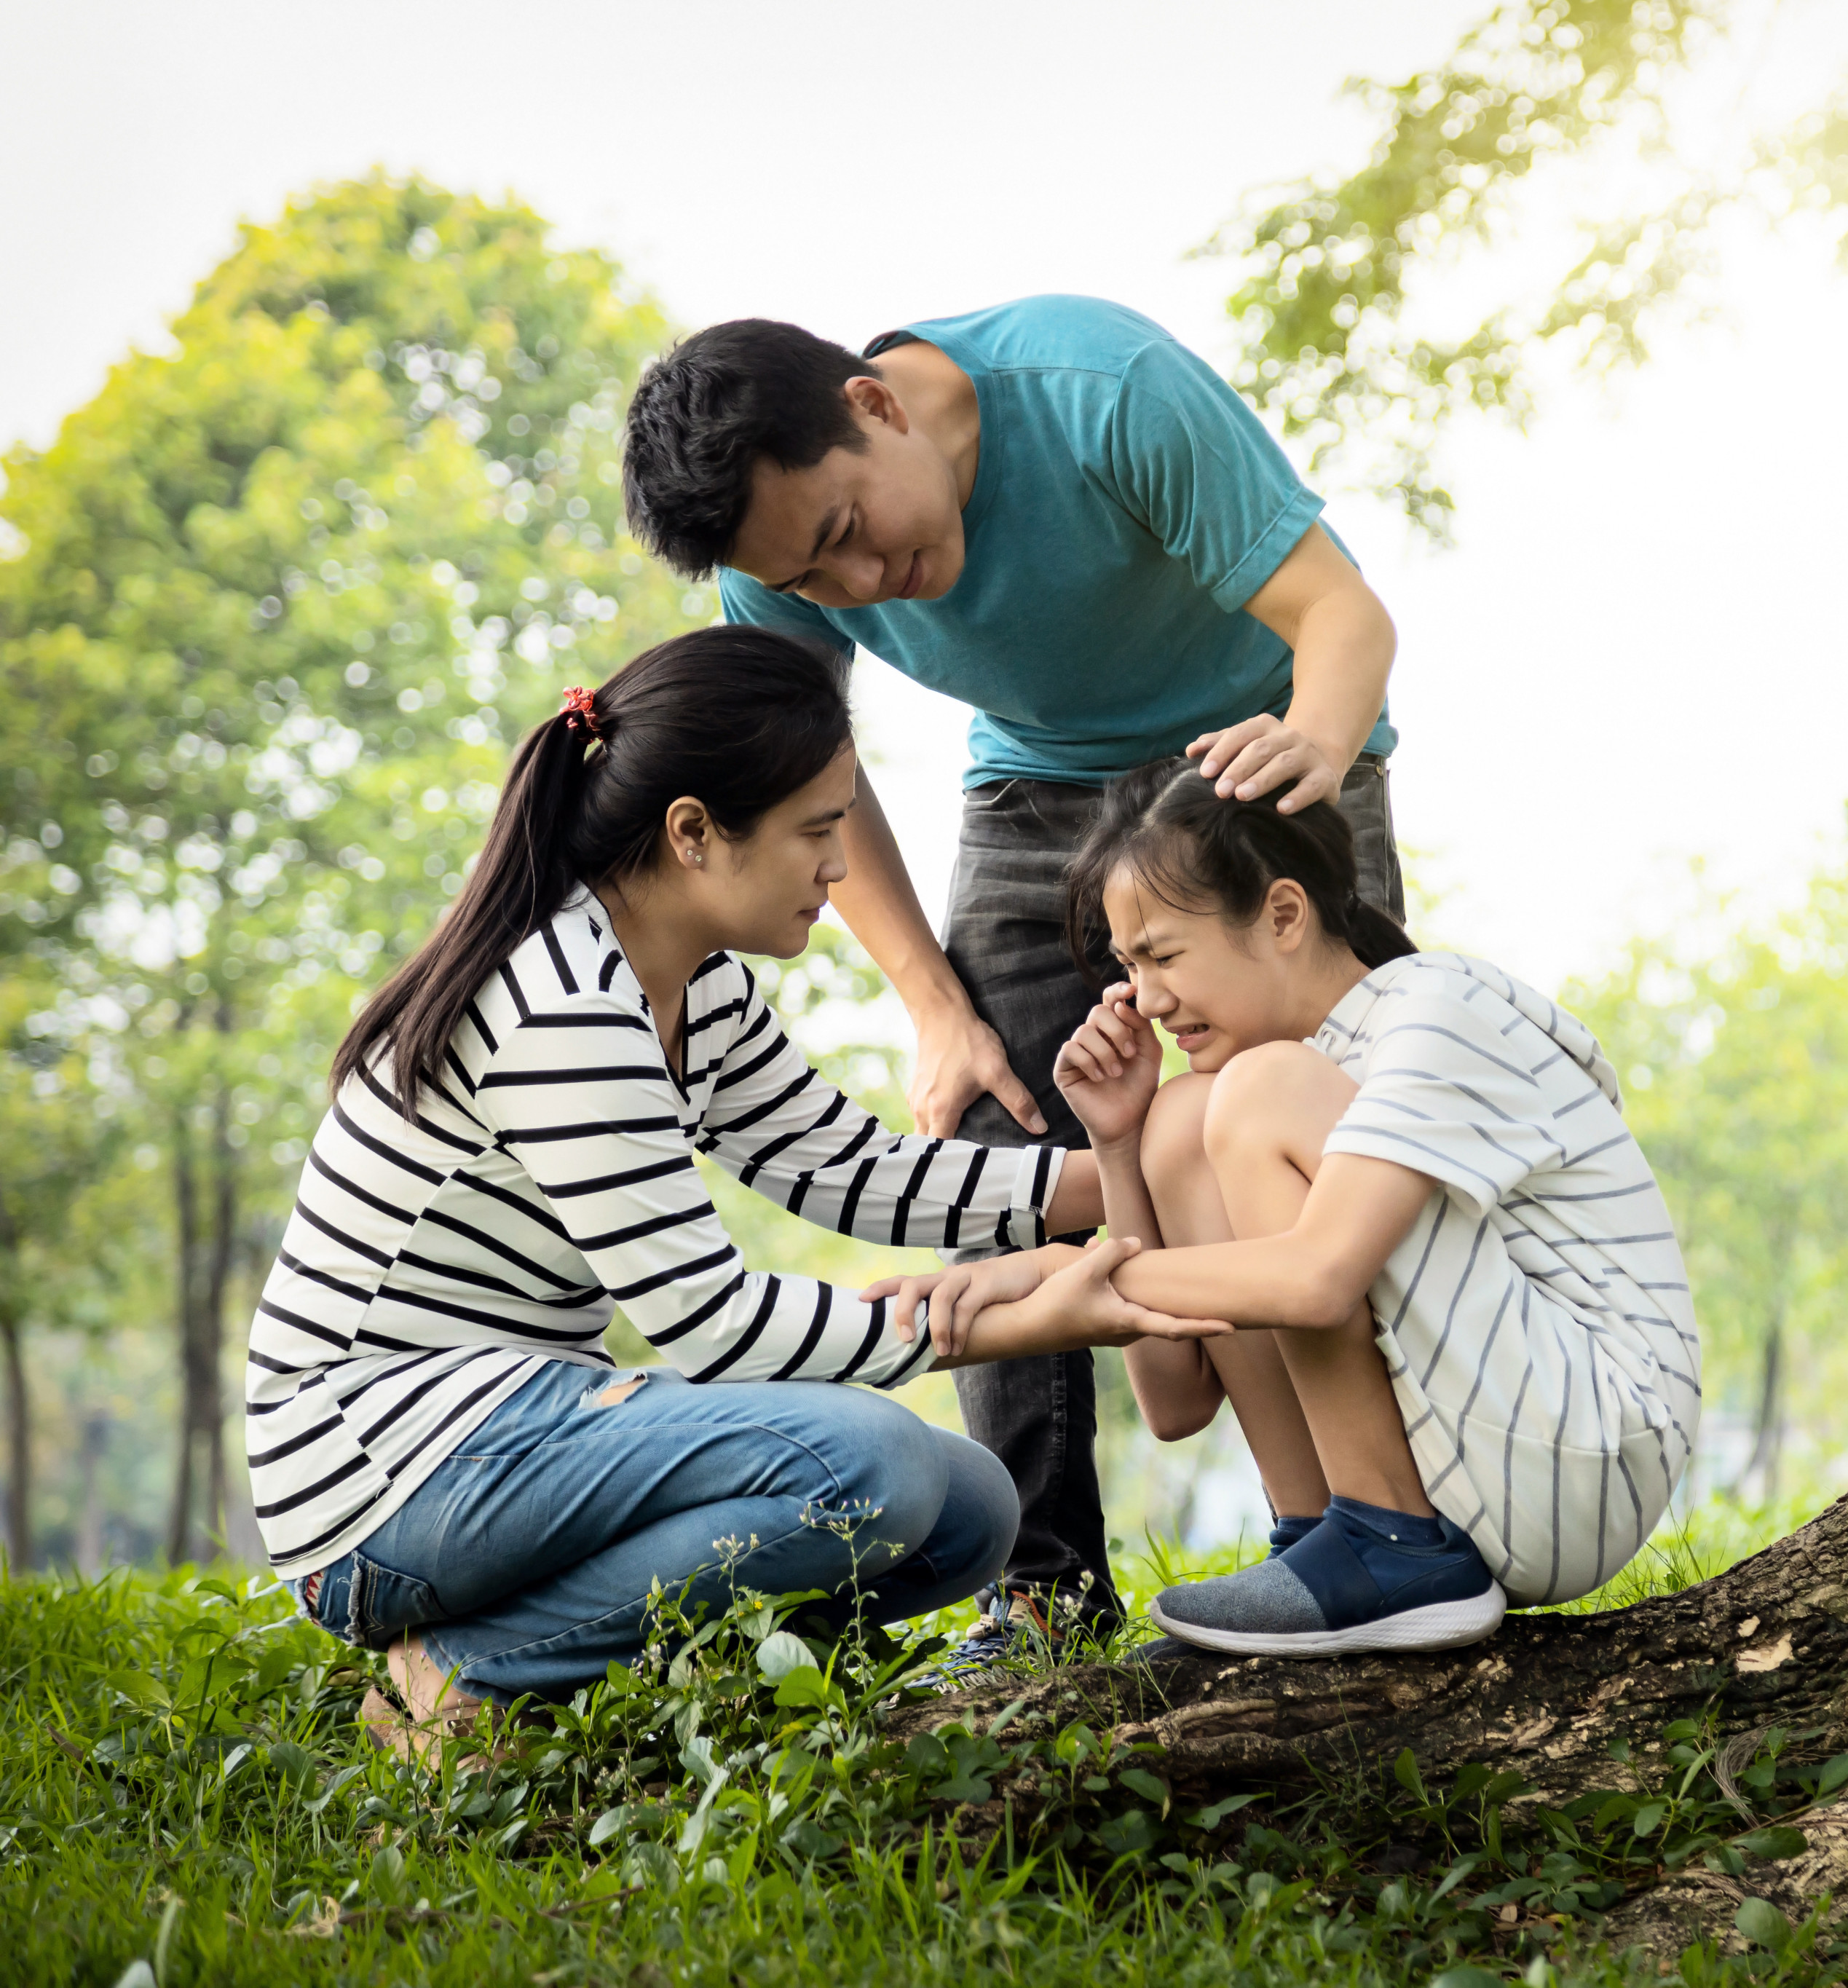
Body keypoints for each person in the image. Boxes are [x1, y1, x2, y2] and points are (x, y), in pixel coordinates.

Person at [245, 628, 1224, 1755]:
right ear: (694, 833)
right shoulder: (562, 1000)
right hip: (380, 1477)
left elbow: (853, 1169)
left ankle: (544, 1654)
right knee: (876, 1467)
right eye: (817, 830)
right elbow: (712, 1324)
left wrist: (1137, 1167)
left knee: (967, 1511)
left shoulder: (691, 987)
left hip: (514, 1435)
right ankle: (471, 1670)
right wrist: (1020, 1313)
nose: (839, 870)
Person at [620, 299, 1407, 1653]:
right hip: (1037, 791)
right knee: (1001, 1119)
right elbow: (818, 773)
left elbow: (1339, 611)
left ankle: (1394, 1530)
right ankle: (1041, 1587)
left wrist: (1315, 754)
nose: (860, 588)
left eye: (847, 533)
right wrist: (932, 1000)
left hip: (1251, 756)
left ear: (876, 406)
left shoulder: (1105, 392)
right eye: (815, 585)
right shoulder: (778, 560)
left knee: (1331, 1132)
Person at [890, 764, 1702, 1656]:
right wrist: (1120, 1148)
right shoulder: (1278, 1086)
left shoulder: (1433, 1011)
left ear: (1282, 915)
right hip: (1500, 1449)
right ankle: (1320, 1543)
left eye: (1162, 955)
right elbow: (1174, 1401)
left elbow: (1317, 1279)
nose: (1147, 999)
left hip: (1586, 1450)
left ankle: (1388, 1541)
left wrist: (1059, 1273)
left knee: (1251, 1092)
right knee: (1182, 1120)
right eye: (1129, 967)